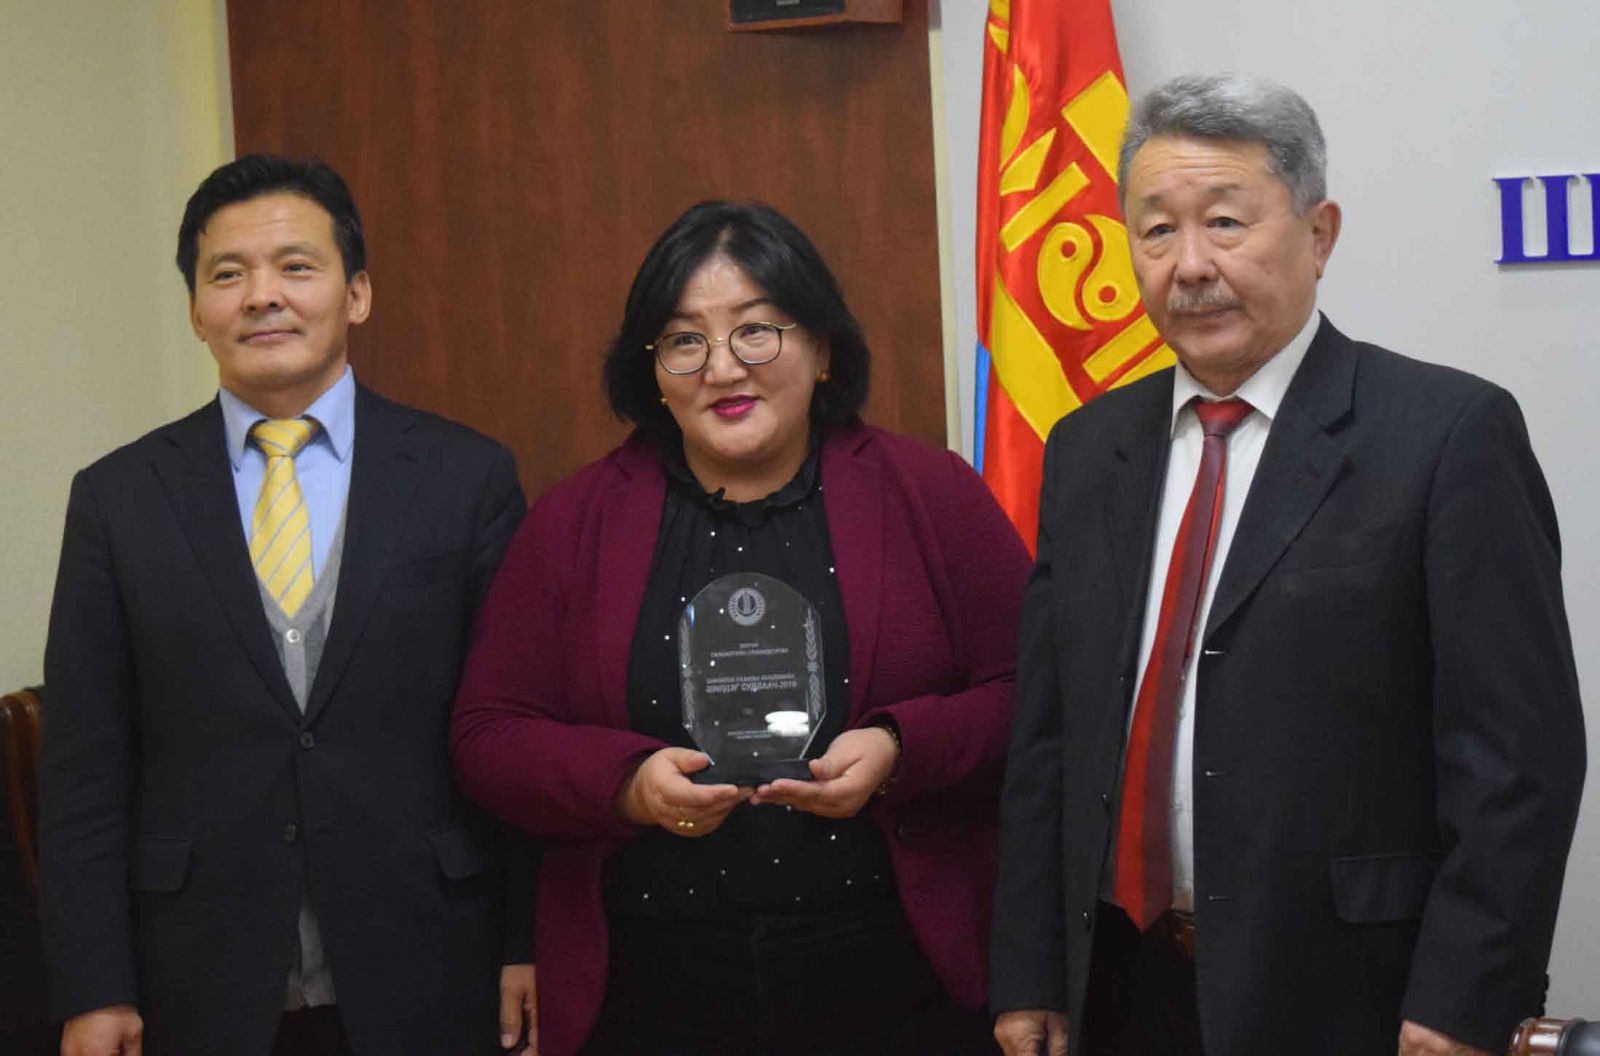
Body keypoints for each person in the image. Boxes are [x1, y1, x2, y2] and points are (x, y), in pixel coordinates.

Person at [991, 73, 1585, 1056]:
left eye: (1225, 222)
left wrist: (1464, 999)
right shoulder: (1089, 448)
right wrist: (1030, 970)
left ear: (1318, 233)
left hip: (1349, 991)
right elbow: (1048, 736)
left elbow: (1517, 759)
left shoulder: (1446, 435)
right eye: (1156, 231)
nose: (1190, 265)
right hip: (1123, 984)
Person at [451, 200, 1029, 1056]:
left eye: (756, 330)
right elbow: (488, 734)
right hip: (649, 985)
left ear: (823, 349)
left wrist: (901, 747)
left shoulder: (928, 493)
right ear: (652, 370)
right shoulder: (577, 520)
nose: (722, 367)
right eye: (685, 340)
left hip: (896, 973)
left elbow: (1034, 695)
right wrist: (627, 784)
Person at [39, 155, 537, 1056]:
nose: (262, 295)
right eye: (227, 274)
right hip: (198, 977)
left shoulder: (466, 478)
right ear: (196, 310)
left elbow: (515, 732)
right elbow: (84, 768)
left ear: (358, 293)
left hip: (430, 957)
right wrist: (94, 987)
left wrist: (524, 943)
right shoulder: (118, 499)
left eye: (296, 267)